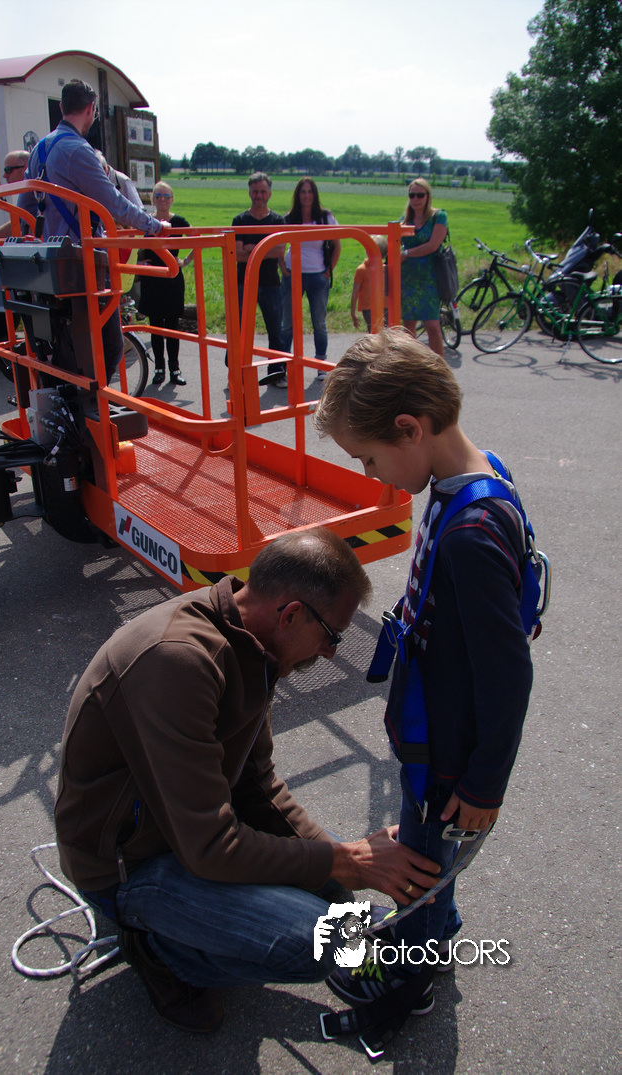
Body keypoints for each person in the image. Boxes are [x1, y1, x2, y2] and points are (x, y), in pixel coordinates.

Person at [54, 527, 441, 1032]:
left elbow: (257, 786)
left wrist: (342, 864)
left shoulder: (250, 643)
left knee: (336, 899)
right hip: (126, 867)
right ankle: (159, 951)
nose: (330, 652)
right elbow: (211, 848)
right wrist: (347, 861)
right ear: (292, 614)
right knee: (321, 943)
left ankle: (206, 925)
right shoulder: (178, 661)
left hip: (180, 833)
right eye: (332, 635)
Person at [313, 330, 534, 1015]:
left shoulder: (470, 536)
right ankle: (436, 930)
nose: (372, 473)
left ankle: (408, 978)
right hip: (434, 721)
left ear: (410, 428)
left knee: (421, 858)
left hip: (448, 749)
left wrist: (483, 781)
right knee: (431, 851)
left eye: (370, 457)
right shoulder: (472, 475)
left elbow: (508, 675)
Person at [17, 79, 169, 381]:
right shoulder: (78, 150)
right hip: (82, 265)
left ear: (62, 107)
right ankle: (85, 405)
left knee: (65, 345)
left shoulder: (39, 150)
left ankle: (69, 402)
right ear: (91, 109)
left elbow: (25, 206)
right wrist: (154, 226)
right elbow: (113, 202)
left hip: (49, 265)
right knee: (110, 347)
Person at [280, 177, 340, 380]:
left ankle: (321, 364)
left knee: (319, 323)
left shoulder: (325, 217)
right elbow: (279, 245)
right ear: (298, 195)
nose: (306, 196)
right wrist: (283, 269)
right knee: (288, 323)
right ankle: (284, 365)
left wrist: (328, 272)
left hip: (317, 275)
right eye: (303, 191)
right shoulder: (289, 218)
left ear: (315, 194)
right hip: (292, 273)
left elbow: (337, 245)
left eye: (310, 191)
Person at [232, 172, 287, 386]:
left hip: (271, 283)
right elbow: (236, 254)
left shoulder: (277, 220)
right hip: (243, 283)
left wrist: (250, 248)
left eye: (263, 191)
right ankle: (236, 374)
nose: (259, 195)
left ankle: (277, 372)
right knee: (240, 331)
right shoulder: (240, 220)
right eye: (255, 191)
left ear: (270, 194)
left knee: (276, 331)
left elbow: (280, 250)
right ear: (249, 192)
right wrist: (265, 248)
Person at [136, 181, 192, 386]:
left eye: (166, 196)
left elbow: (198, 239)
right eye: (158, 196)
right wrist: (138, 263)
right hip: (152, 278)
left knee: (172, 327)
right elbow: (134, 244)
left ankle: (175, 369)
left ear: (172, 199)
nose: (162, 200)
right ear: (153, 199)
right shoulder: (146, 221)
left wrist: (185, 261)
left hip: (172, 278)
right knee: (156, 327)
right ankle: (159, 369)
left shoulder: (179, 221)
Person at [399, 178, 447, 358]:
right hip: (407, 279)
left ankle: (439, 368)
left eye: (420, 195)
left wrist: (405, 253)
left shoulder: (438, 217)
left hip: (429, 279)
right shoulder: (405, 220)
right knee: (408, 328)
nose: (416, 199)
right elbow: (391, 238)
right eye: (412, 195)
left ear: (428, 196)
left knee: (432, 326)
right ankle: (412, 366)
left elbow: (433, 245)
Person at [350, 236, 388, 332]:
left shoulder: (386, 269)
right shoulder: (362, 270)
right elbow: (355, 292)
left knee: (386, 332)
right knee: (374, 331)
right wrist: (352, 312)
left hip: (385, 306)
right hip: (368, 308)